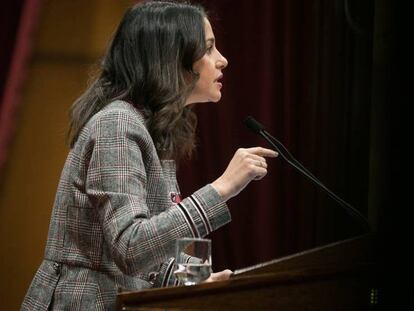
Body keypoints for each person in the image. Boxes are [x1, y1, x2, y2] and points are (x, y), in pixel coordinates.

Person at [21, 1, 277, 310]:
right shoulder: (117, 123)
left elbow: (143, 255)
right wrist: (222, 189)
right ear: (170, 58)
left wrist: (195, 279)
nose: (222, 60)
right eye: (208, 49)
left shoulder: (151, 127)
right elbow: (131, 247)